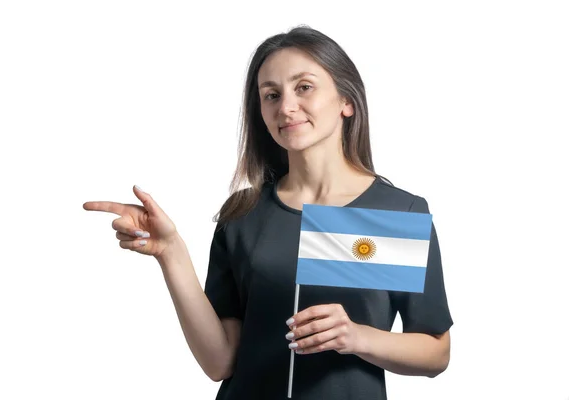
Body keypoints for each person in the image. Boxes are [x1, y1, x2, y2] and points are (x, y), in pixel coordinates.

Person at [83, 25, 453, 399]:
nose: (286, 106)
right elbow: (219, 362)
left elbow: (436, 352)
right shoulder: (244, 212)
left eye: (304, 87)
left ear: (347, 100)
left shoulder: (396, 213)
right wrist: (170, 251)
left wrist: (359, 336)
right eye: (271, 95)